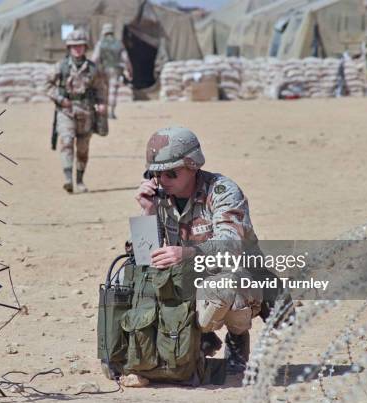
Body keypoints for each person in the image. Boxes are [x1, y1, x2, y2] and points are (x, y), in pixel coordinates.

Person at [135, 126, 267, 373]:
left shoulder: (222, 191)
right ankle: (195, 338)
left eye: (171, 174)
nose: (162, 181)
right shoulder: (160, 197)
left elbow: (231, 246)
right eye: (155, 174)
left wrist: (187, 253)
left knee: (226, 287)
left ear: (192, 165)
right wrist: (147, 212)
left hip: (235, 276)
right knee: (132, 280)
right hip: (189, 277)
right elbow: (142, 259)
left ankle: (236, 338)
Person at [46, 29, 107, 193]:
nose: (77, 49)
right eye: (74, 46)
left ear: (85, 47)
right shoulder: (61, 67)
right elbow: (48, 86)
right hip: (66, 110)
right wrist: (60, 99)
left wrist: (102, 104)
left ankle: (79, 180)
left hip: (86, 112)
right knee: (66, 141)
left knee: (82, 149)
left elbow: (100, 89)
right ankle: (67, 179)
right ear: (68, 47)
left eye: (80, 46)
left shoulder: (93, 69)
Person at [92, 23, 132, 119]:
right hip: (116, 70)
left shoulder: (100, 43)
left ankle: (103, 112)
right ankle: (111, 113)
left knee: (104, 91)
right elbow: (125, 59)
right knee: (113, 91)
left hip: (103, 70)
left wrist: (92, 69)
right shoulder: (118, 43)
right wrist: (129, 70)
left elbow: (95, 58)